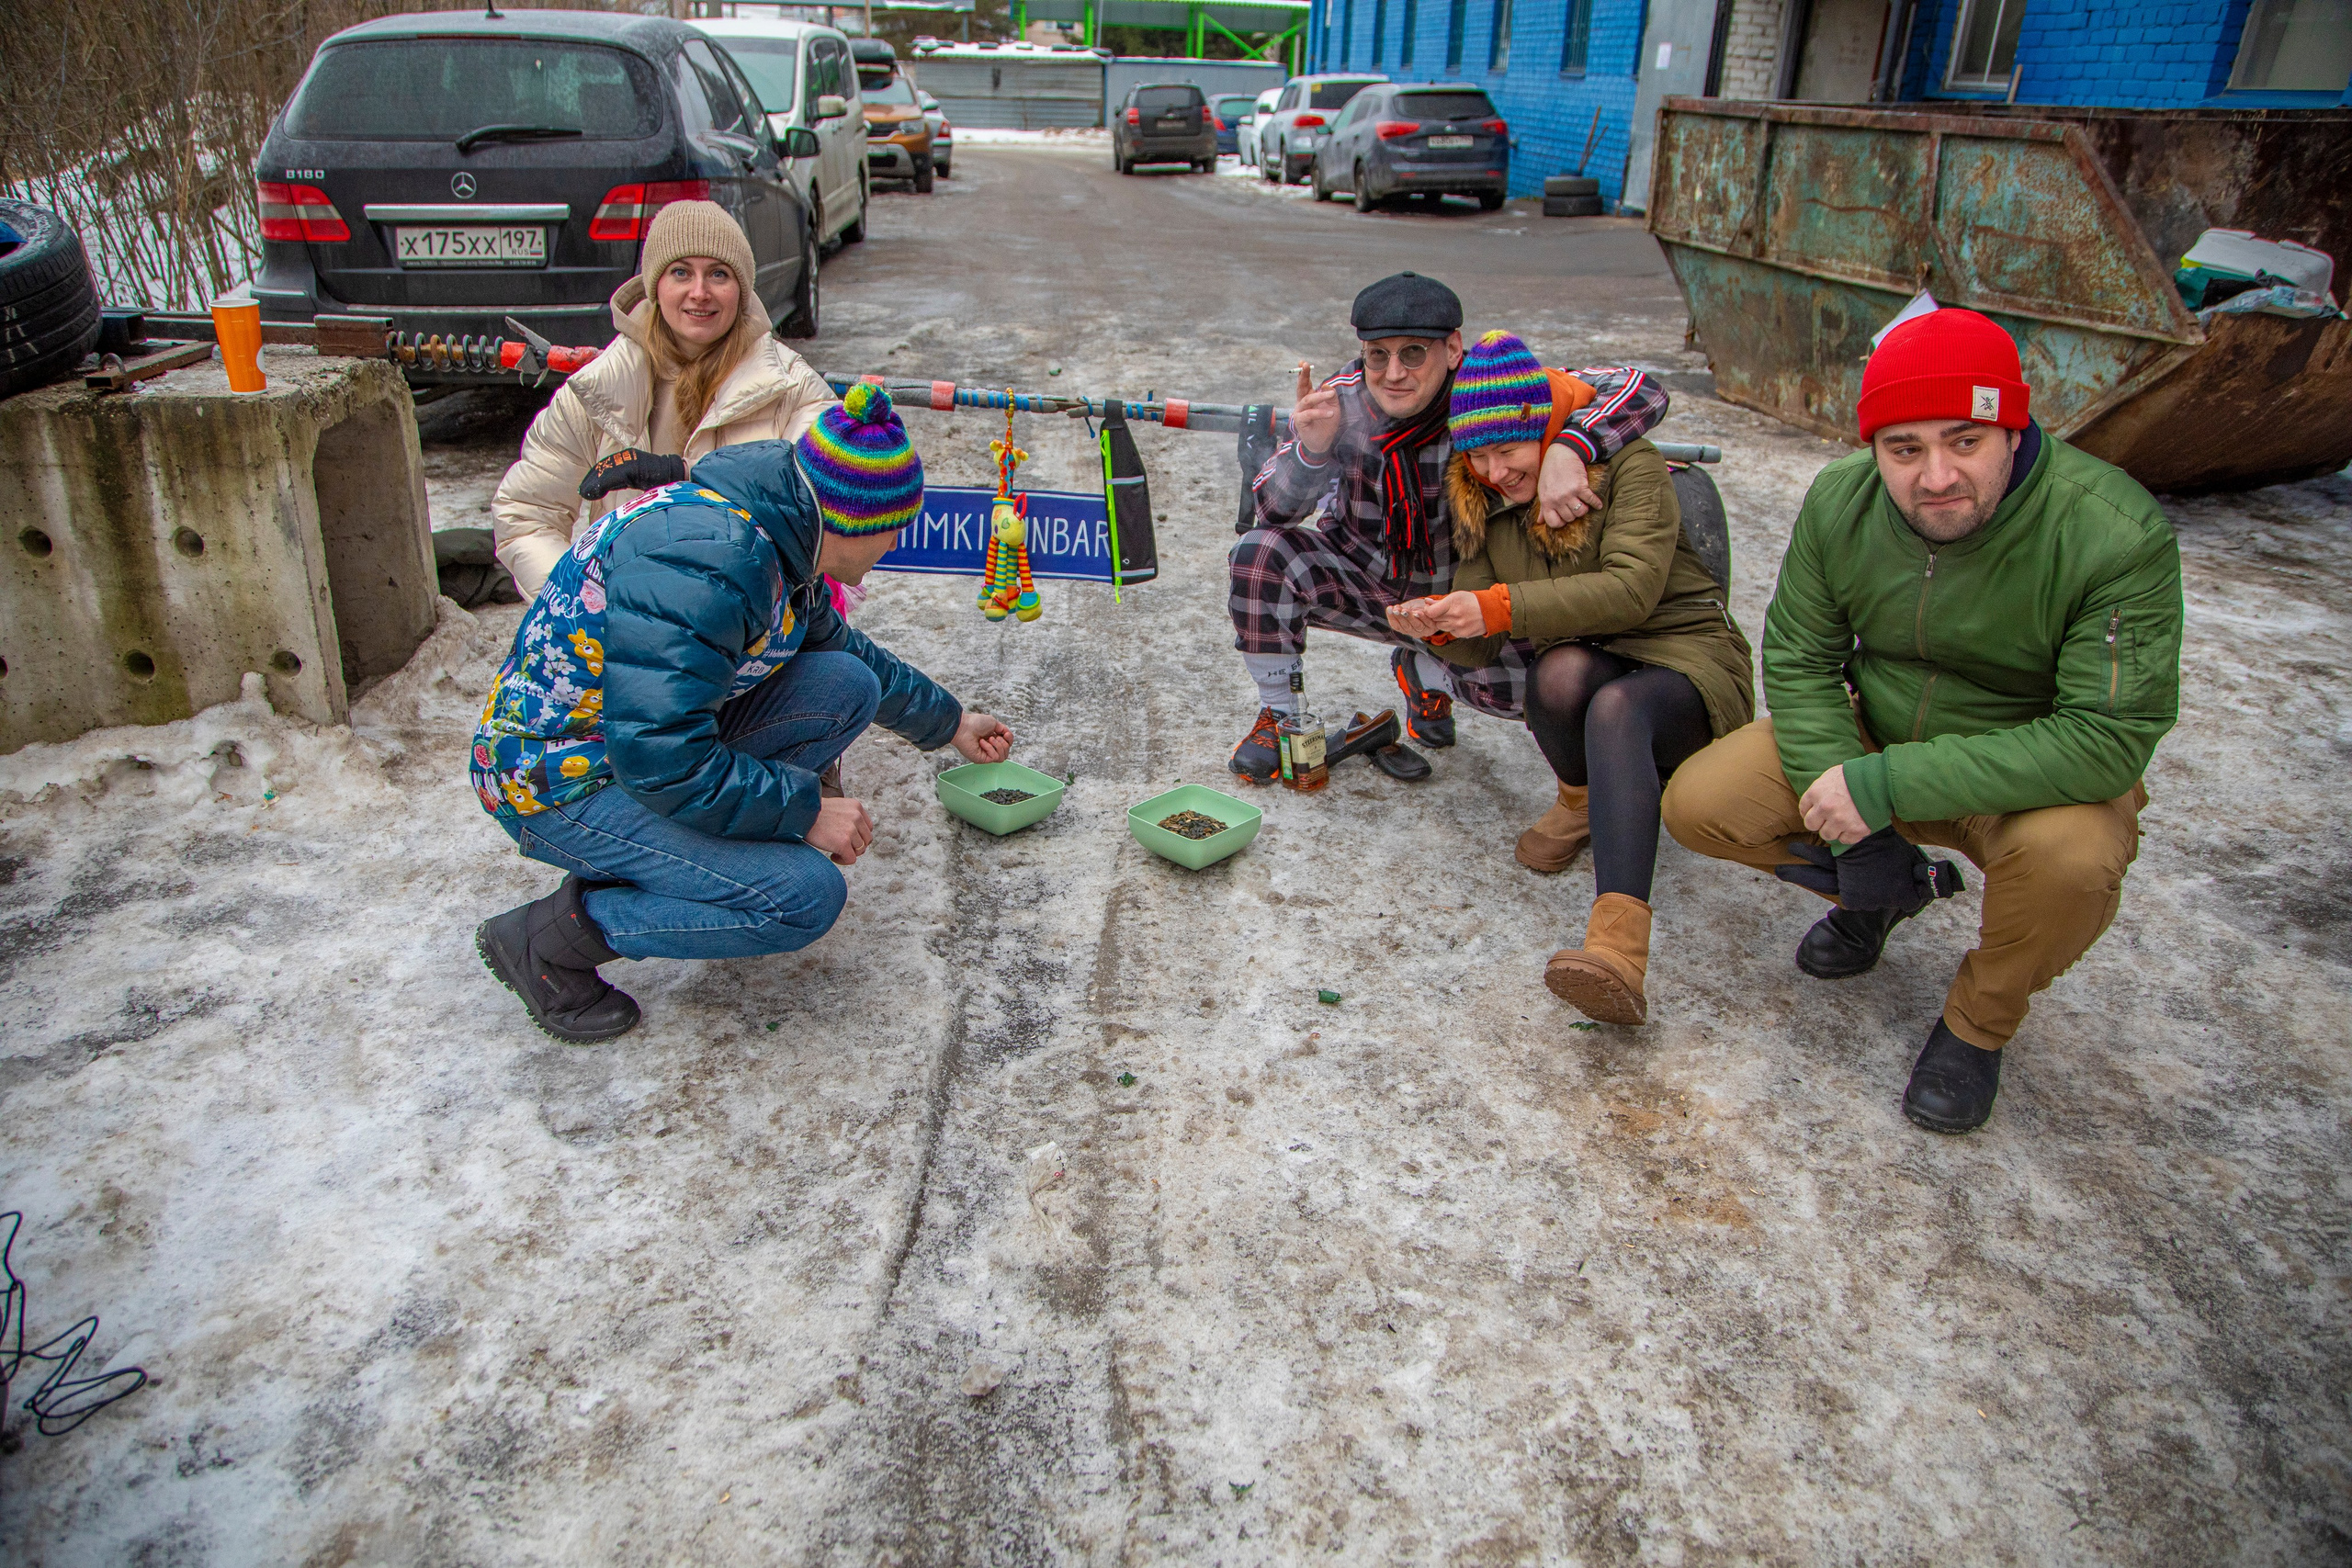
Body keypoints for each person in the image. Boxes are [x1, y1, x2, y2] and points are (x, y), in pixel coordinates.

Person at [1661, 308, 2183, 1134]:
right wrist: (1856, 826)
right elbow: (1800, 657)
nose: (1935, 475)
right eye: (1904, 449)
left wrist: (1881, 784)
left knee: (2073, 862)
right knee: (1700, 801)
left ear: (2013, 427)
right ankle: (1886, 888)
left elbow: (2106, 738)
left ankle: (1979, 1020)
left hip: (2030, 773)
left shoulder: (2111, 533)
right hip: (1884, 726)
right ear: (1874, 448)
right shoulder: (1842, 500)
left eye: (1964, 440)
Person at [469, 385, 1014, 1043]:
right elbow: (663, 758)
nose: (895, 544)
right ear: (851, 522)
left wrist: (951, 722)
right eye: (893, 527)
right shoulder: (712, 563)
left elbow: (845, 651)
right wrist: (801, 809)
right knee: (801, 895)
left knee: (845, 682)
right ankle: (549, 939)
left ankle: (684, 854)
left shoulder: (782, 534)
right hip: (554, 781)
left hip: (624, 751)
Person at [1390, 332, 1753, 1024]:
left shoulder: (1631, 465)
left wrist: (1494, 605)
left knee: (1615, 707)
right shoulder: (1480, 498)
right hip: (1594, 660)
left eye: (1509, 449)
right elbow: (1482, 631)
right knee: (1554, 675)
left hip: (1687, 656)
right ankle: (1585, 801)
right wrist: (1441, 625)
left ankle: (1617, 949)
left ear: (1545, 428)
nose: (1495, 470)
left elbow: (1632, 593)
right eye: (1479, 453)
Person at [1229, 271, 1668, 784]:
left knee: (1533, 693)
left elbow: (1643, 387)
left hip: (1462, 596)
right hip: (1364, 579)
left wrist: (1574, 446)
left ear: (1453, 349)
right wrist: (1311, 449)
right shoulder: (1338, 400)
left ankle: (1424, 674)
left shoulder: (1490, 394)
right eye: (1378, 354)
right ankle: (1279, 717)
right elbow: (1273, 511)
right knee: (1259, 554)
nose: (1393, 373)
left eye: (1413, 353)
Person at [492, 200, 839, 598]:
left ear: (741, 290)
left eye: (718, 274)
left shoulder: (792, 389)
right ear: (655, 285)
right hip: (620, 633)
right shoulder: (597, 391)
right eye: (680, 272)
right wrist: (586, 605)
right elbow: (526, 514)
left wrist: (686, 473)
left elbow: (819, 513)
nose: (699, 292)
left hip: (753, 634)